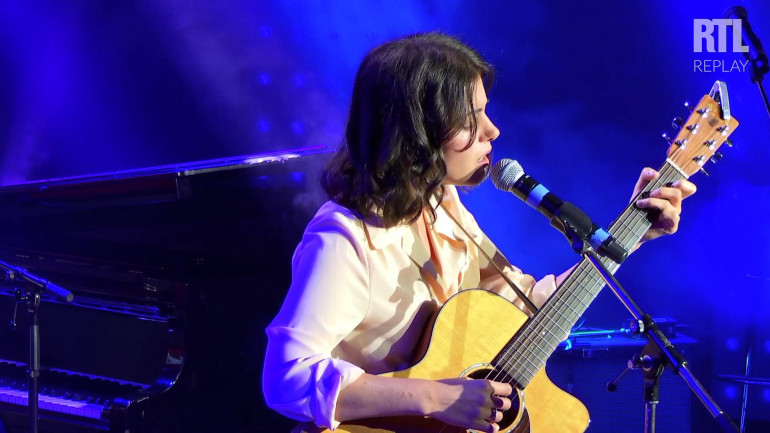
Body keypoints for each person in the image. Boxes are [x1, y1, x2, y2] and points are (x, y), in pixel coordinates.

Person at [262, 32, 695, 433]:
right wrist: (437, 398)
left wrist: (631, 235)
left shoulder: (443, 206)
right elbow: (284, 377)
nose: (492, 130)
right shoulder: (344, 238)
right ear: (418, 132)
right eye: (471, 118)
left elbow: (526, 308)